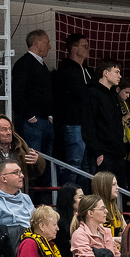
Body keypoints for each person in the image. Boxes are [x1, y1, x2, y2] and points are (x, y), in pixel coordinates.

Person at [84, 61, 130, 187]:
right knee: (104, 189)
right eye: (117, 72)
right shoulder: (92, 93)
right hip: (103, 153)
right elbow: (88, 124)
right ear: (105, 73)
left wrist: (121, 150)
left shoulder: (113, 95)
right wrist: (97, 151)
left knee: (119, 189)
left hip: (117, 153)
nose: (120, 76)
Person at [11, 29, 54, 158]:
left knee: (45, 161)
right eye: (47, 42)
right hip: (32, 123)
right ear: (36, 42)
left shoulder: (41, 65)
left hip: (44, 121)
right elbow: (18, 93)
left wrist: (50, 116)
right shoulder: (24, 64)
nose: (49, 47)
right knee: (32, 161)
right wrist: (30, 117)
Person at [53, 33, 93, 172]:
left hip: (87, 123)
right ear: (74, 48)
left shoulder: (88, 71)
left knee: (86, 164)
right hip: (73, 122)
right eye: (84, 46)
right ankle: (70, 187)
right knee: (74, 162)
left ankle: (83, 187)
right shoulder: (66, 70)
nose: (88, 49)